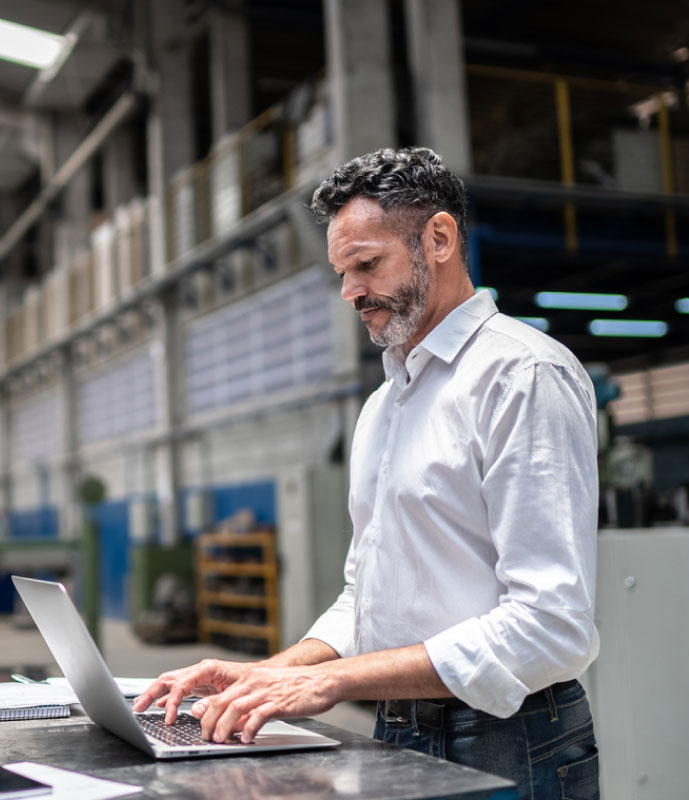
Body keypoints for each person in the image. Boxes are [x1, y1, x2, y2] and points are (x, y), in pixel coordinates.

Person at [135, 147, 600, 798]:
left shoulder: (522, 378)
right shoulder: (387, 404)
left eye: (367, 265)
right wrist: (269, 673)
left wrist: (334, 682)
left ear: (438, 239)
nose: (351, 291)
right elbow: (368, 600)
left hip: (508, 740)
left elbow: (550, 626)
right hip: (399, 724)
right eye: (342, 272)